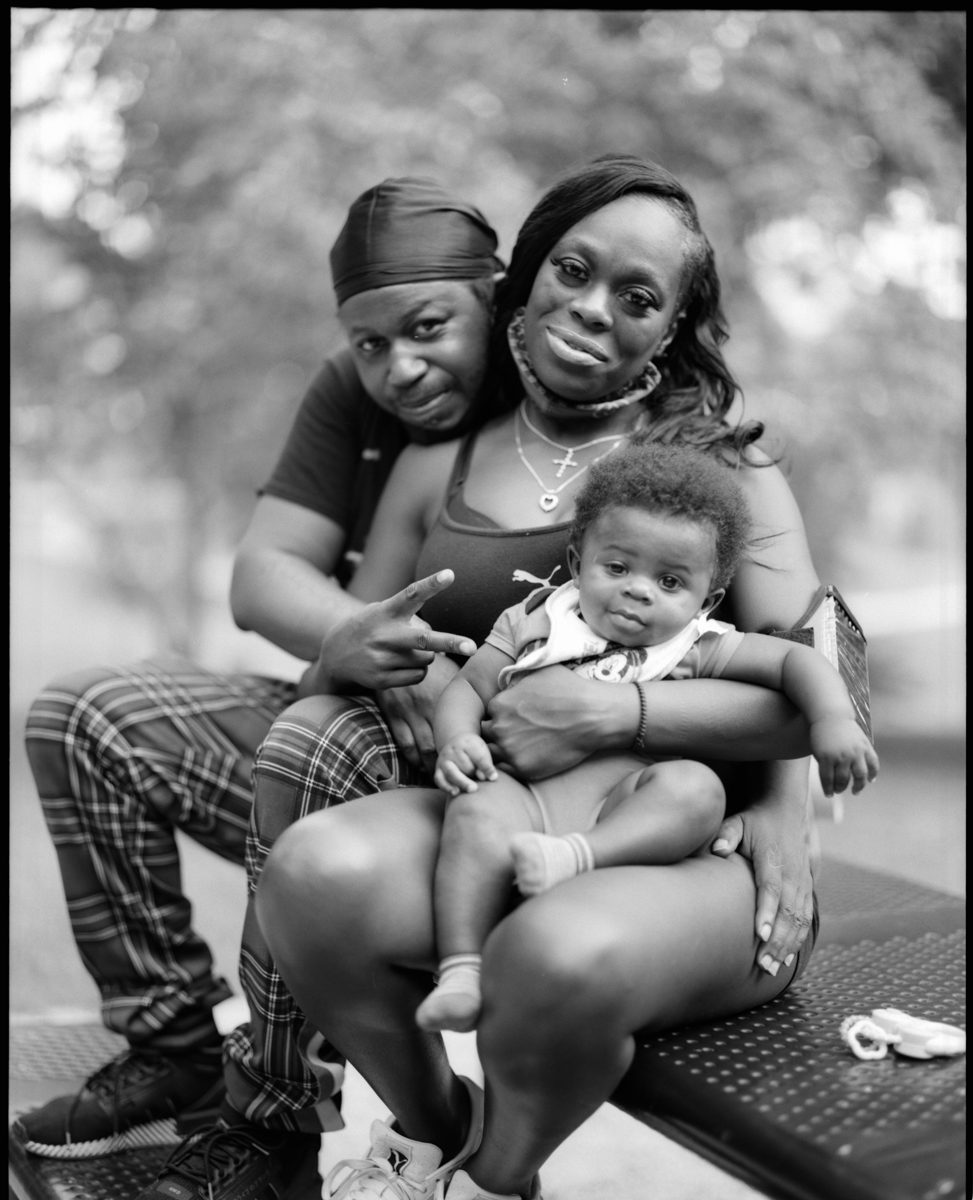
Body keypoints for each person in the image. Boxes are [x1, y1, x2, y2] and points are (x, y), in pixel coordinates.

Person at [246, 151, 849, 1200]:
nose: (591, 308)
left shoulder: (721, 468)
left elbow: (818, 669)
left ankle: (495, 1181)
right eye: (572, 270)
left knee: (548, 954)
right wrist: (445, 692)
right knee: (311, 873)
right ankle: (432, 1135)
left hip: (688, 839)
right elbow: (370, 640)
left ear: (671, 329)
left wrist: (621, 714)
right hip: (506, 805)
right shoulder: (445, 457)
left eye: (638, 297)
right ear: (520, 276)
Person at [13, 176, 503, 1196]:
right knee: (84, 718)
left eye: (427, 327)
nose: (397, 367)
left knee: (314, 746)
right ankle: (174, 1052)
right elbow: (259, 576)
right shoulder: (349, 392)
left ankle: (270, 1127)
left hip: (483, 797)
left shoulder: (557, 395)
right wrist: (360, 635)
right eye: (370, 343)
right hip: (341, 717)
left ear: (495, 295)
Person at [416, 436, 879, 1034]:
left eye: (669, 582)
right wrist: (457, 738)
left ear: (705, 599)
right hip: (527, 796)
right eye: (617, 567)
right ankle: (461, 971)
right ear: (578, 558)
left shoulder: (694, 644)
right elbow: (468, 688)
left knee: (694, 791)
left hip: (626, 804)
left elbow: (796, 663)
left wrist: (834, 720)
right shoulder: (535, 619)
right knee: (474, 813)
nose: (638, 589)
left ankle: (578, 859)